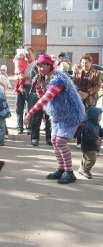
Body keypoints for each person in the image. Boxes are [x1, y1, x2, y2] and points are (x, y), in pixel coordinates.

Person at [24, 54, 85, 184]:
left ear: (50, 65)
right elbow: (43, 98)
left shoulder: (58, 80)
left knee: (61, 142)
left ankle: (69, 172)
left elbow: (46, 98)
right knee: (54, 141)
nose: (40, 68)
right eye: (38, 65)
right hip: (58, 115)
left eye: (43, 65)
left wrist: (30, 113)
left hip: (71, 115)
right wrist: (38, 86)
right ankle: (60, 168)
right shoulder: (46, 78)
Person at [72, 53, 101, 148]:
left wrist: (87, 93)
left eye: (87, 63)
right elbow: (73, 84)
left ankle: (91, 142)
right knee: (80, 120)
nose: (85, 65)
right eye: (83, 63)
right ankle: (79, 142)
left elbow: (97, 86)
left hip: (91, 100)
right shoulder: (77, 73)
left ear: (91, 63)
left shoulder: (96, 73)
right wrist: (79, 92)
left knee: (91, 121)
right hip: (79, 99)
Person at [29, 61, 52, 146]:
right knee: (36, 118)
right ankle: (35, 137)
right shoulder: (33, 70)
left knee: (48, 118)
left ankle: (49, 138)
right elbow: (33, 83)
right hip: (37, 96)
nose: (41, 66)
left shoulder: (50, 72)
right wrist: (38, 77)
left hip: (48, 96)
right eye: (39, 64)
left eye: (43, 64)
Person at [15, 46, 36, 134]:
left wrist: (26, 77)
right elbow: (16, 73)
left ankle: (29, 127)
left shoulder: (36, 65)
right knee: (19, 108)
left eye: (29, 54)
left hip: (30, 87)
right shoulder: (23, 62)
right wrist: (18, 77)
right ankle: (20, 127)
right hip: (20, 87)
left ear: (33, 54)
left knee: (29, 108)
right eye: (26, 54)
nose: (27, 56)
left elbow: (36, 78)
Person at [78, 106, 103, 179]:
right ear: (93, 116)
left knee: (85, 158)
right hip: (88, 147)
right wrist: (95, 141)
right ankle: (85, 170)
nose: (101, 118)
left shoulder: (96, 124)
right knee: (92, 160)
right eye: (99, 116)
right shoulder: (88, 126)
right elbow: (88, 137)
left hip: (92, 146)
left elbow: (100, 132)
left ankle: (82, 169)